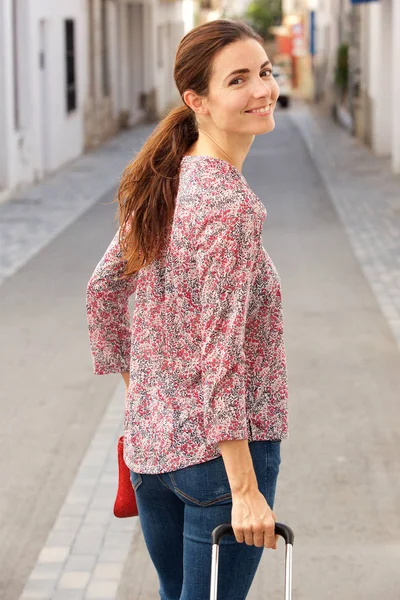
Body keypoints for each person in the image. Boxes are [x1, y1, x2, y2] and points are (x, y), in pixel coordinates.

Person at [86, 18, 288, 600]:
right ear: (196, 100)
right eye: (239, 80)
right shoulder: (229, 208)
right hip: (219, 469)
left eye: (265, 73)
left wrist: (149, 395)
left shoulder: (167, 182)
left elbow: (102, 292)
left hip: (152, 456)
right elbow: (222, 357)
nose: (262, 90)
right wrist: (246, 489)